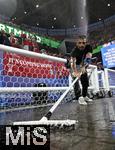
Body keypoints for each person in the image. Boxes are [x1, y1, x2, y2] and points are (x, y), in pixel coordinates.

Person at [71, 35, 93, 105]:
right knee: (76, 81)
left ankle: (84, 96)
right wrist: (75, 72)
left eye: (83, 43)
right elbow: (72, 63)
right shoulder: (74, 51)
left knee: (85, 81)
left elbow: (88, 58)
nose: (81, 45)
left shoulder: (89, 47)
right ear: (76, 43)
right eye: (79, 43)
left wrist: (84, 66)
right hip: (74, 65)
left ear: (86, 43)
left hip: (83, 64)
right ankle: (79, 97)